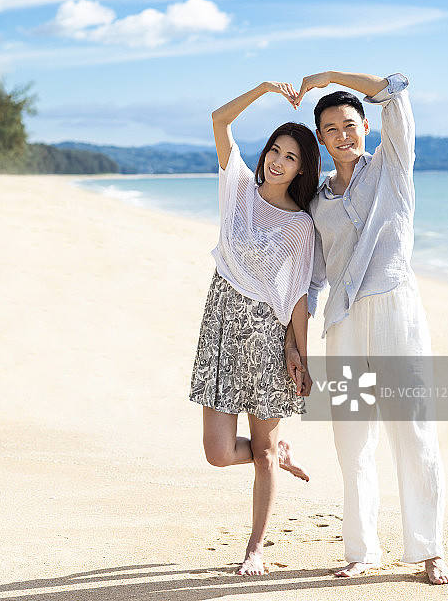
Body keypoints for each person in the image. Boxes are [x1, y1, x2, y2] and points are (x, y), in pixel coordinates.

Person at [285, 70, 448, 586]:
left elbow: (394, 89)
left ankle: (430, 550)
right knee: (353, 440)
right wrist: (298, 350)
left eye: (349, 123)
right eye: (331, 128)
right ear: (320, 139)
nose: (342, 134)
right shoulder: (316, 203)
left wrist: (329, 78)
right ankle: (363, 549)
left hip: (395, 310)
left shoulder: (393, 165)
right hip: (345, 325)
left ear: (366, 125)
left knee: (414, 430)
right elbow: (310, 281)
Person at [190, 81, 320, 576]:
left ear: (303, 167)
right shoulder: (238, 184)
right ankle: (277, 453)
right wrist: (265, 89)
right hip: (221, 327)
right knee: (218, 453)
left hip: (266, 338)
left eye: (290, 157)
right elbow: (220, 122)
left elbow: (298, 297)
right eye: (274, 150)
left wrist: (303, 358)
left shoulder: (300, 227)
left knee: (261, 451)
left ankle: (255, 548)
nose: (277, 161)